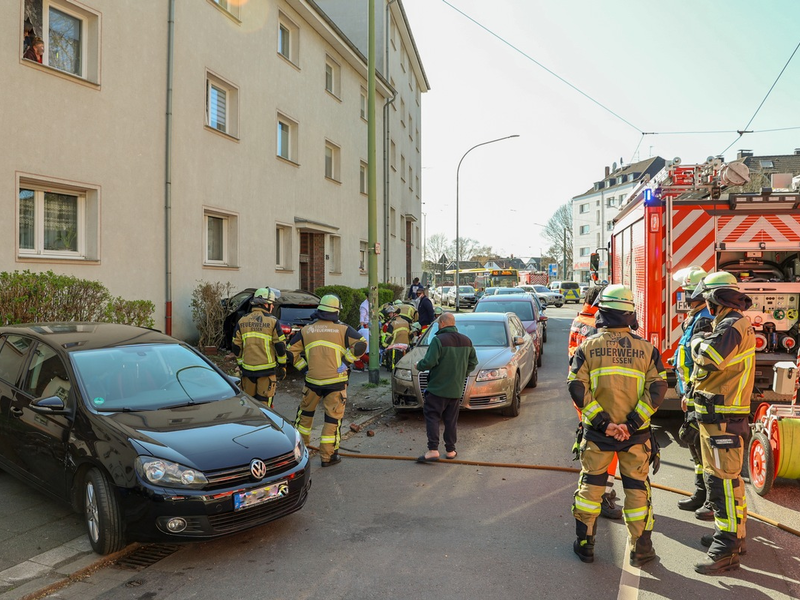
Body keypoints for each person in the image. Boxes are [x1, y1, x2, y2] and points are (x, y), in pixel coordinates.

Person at [567, 284, 668, 567]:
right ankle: (641, 549)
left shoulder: (587, 347)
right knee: (637, 490)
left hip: (598, 435)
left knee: (591, 488)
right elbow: (658, 389)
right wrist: (632, 423)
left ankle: (585, 546)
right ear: (630, 314)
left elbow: (576, 387)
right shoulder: (647, 349)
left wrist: (604, 423)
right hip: (636, 436)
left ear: (603, 312)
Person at [688, 271, 755, 575]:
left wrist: (697, 341)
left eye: (707, 300)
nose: (706, 307)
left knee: (723, 484)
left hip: (723, 418)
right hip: (722, 416)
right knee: (729, 481)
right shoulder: (731, 323)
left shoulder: (731, 326)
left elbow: (710, 358)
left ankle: (725, 549)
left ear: (716, 299)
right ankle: (734, 537)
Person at [287, 294, 367, 467]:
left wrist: (304, 368)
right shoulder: (344, 329)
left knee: (305, 416)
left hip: (312, 381)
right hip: (336, 382)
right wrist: (346, 361)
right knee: (332, 419)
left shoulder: (307, 330)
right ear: (336, 311)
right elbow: (361, 344)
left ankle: (301, 453)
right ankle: (328, 457)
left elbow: (290, 352)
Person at [567, 284, 621, 520]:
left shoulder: (579, 320)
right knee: (607, 447)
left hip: (581, 393)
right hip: (596, 395)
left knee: (589, 438)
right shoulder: (597, 327)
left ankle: (594, 489)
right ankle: (602, 494)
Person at [671, 267, 714, 519]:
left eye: (689, 292)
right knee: (694, 444)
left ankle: (709, 497)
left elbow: (701, 362)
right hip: (689, 390)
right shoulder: (696, 316)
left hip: (696, 392)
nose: (685, 297)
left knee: (699, 443)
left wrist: (689, 392)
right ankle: (701, 493)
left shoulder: (704, 319)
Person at [415, 312, 477, 462]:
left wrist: (419, 365)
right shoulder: (467, 340)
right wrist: (462, 374)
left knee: (432, 417)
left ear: (442, 323)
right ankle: (451, 450)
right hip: (455, 389)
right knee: (451, 420)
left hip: (437, 388)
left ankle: (433, 450)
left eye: (438, 323)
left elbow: (429, 362)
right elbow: (473, 363)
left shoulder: (438, 340)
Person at [232, 288, 287, 409]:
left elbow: (236, 347)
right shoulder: (272, 321)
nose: (273, 306)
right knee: (264, 407)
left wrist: (240, 364)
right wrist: (282, 365)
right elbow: (280, 346)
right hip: (266, 371)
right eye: (271, 304)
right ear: (265, 304)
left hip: (247, 371)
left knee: (249, 405)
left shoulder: (242, 320)